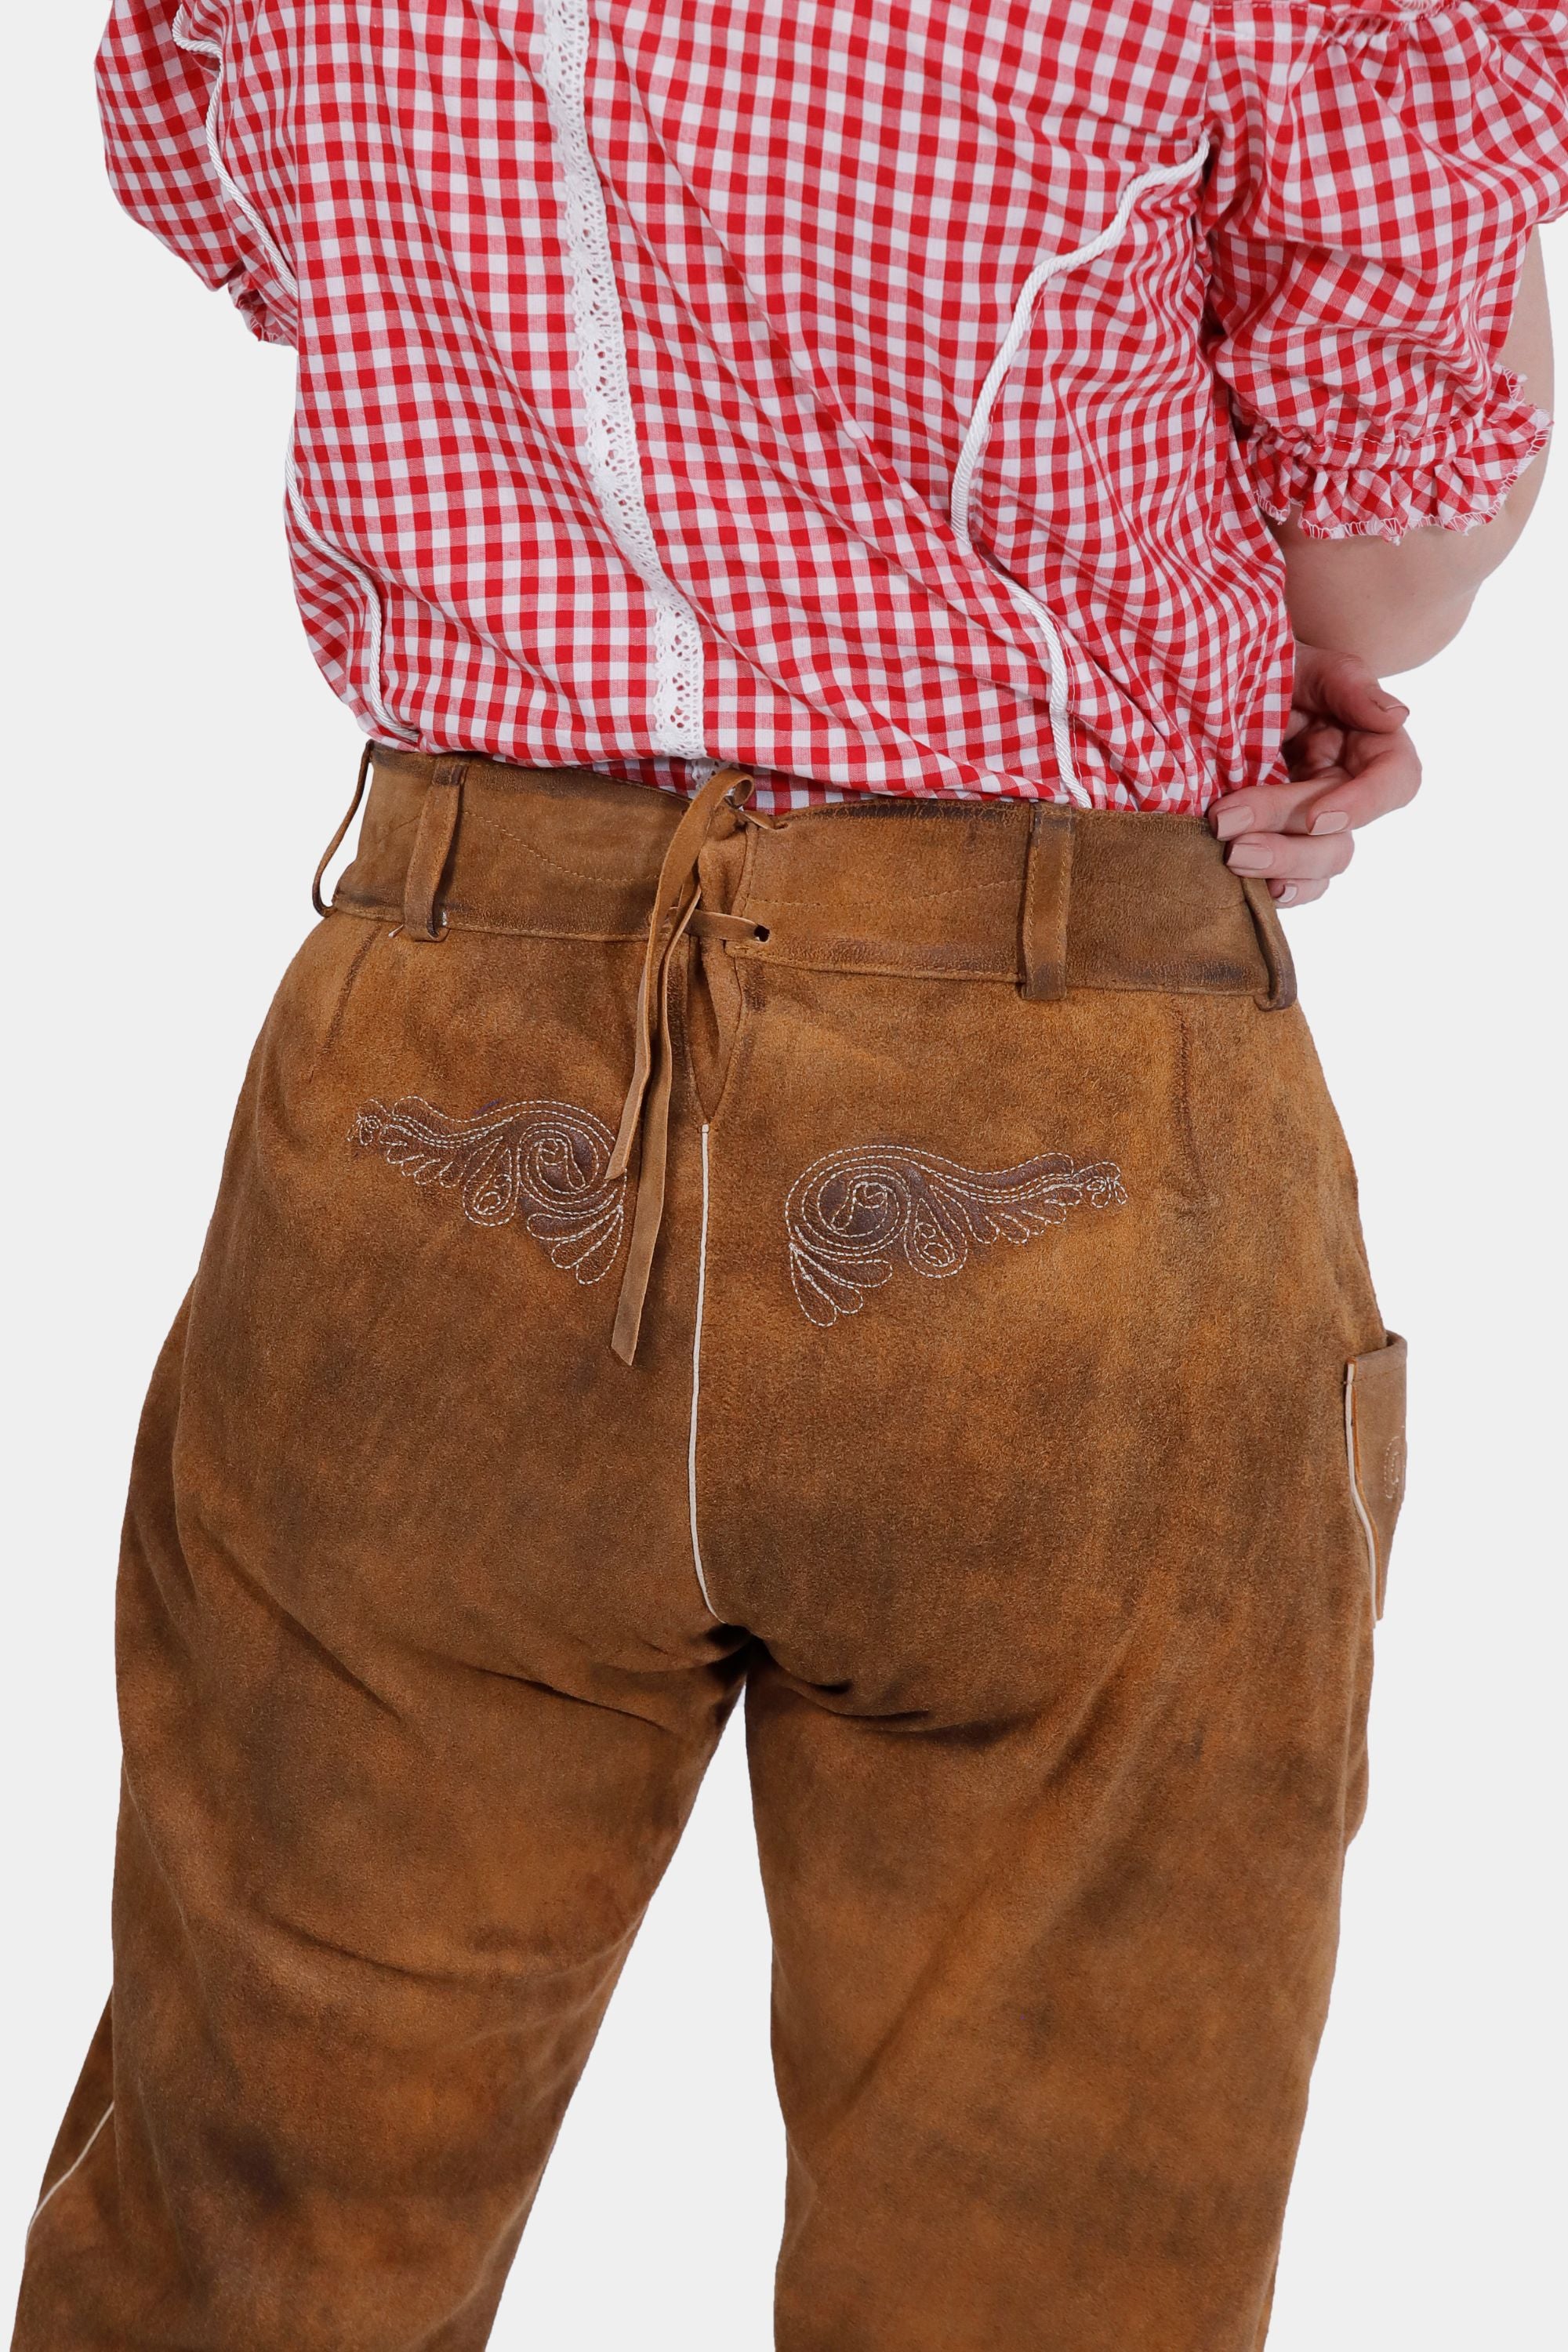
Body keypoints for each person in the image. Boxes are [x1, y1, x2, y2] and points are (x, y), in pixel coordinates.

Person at [10, 4, 1565, 2347]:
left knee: (258, 2235)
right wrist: (1220, 646)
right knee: (1048, 2260)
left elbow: (253, 225)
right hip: (1063, 1130)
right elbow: (1385, 577)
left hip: (442, 1097)